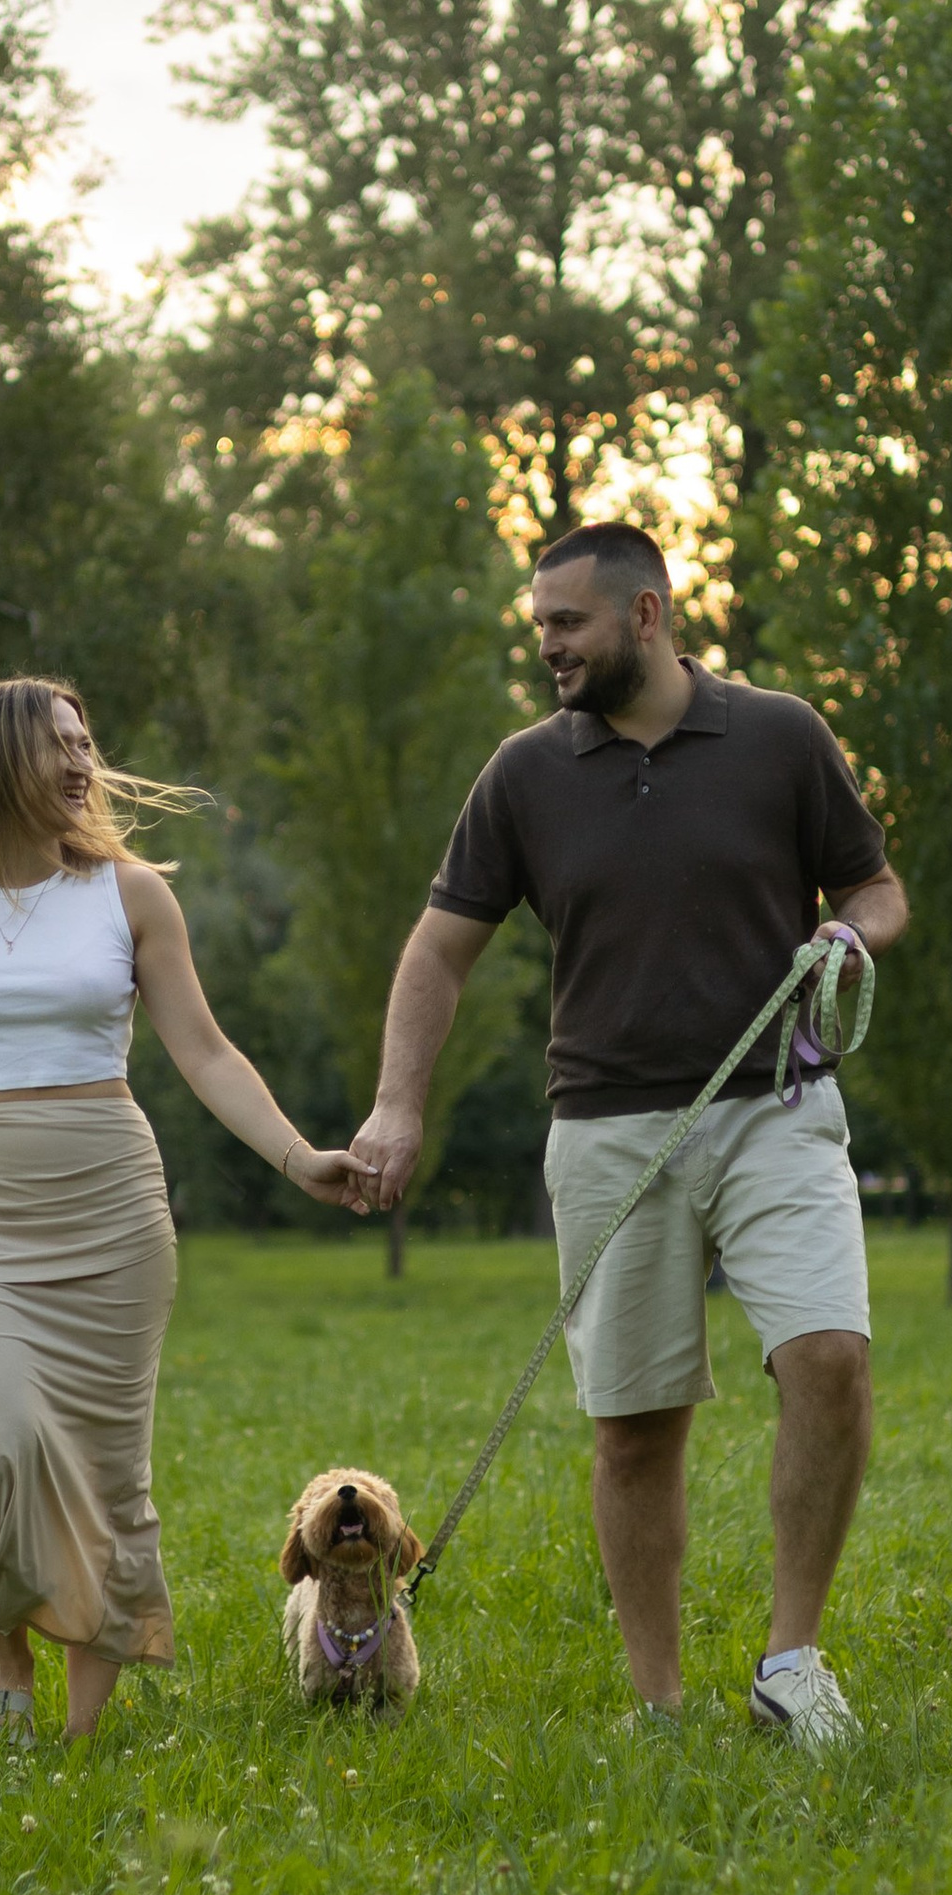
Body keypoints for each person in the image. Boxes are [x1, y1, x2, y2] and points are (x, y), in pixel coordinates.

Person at [347, 523, 908, 1744]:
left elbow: (875, 886)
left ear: (645, 616)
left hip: (776, 1105)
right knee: (637, 1427)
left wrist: (851, 935)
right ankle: (656, 1703)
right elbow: (439, 949)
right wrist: (398, 1102)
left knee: (830, 1361)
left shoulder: (778, 736)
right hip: (605, 1129)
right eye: (539, 622)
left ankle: (790, 1664)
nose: (543, 645)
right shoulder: (523, 774)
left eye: (566, 624)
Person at [0, 676, 364, 1744]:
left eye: (88, 743)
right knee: (1, 1440)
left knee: (106, 1466)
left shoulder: (129, 894)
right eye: (58, 746)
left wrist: (298, 1156)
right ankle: (8, 1668)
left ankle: (74, 1738)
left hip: (110, 1204)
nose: (84, 764)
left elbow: (203, 1049)